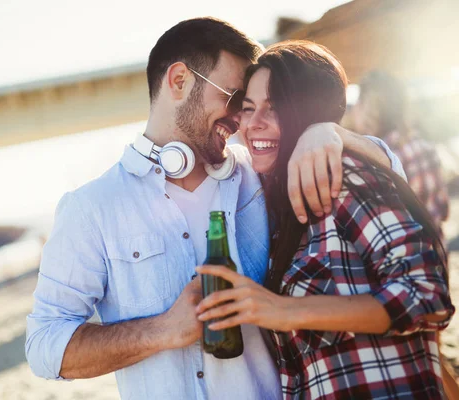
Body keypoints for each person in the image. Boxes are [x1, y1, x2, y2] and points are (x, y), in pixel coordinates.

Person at [26, 19, 404, 399]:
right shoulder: (91, 209)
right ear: (178, 81)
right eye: (233, 98)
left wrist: (331, 133)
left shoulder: (260, 175)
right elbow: (44, 346)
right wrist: (163, 330)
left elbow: (392, 173)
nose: (240, 117)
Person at [196, 41, 455, 399]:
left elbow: (426, 294)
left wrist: (285, 311)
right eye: (248, 109)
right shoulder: (276, 201)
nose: (254, 124)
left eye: (275, 108)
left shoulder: (344, 177)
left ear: (307, 111)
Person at [352, 68, 458, 400]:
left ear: (389, 107)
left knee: (428, 355)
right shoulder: (404, 150)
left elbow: (425, 216)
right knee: (431, 354)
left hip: (412, 266)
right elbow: (441, 210)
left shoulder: (389, 155)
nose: (366, 115)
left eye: (374, 106)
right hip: (426, 262)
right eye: (363, 105)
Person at [352, 70, 450, 238]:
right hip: (436, 258)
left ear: (366, 109)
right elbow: (444, 210)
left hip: (405, 259)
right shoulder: (426, 148)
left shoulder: (374, 163)